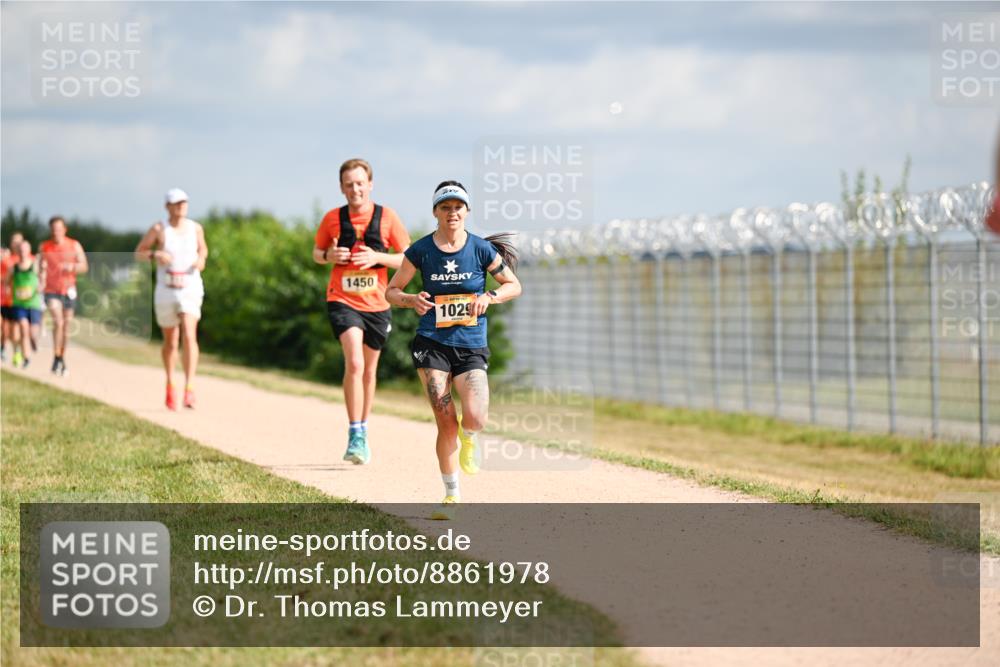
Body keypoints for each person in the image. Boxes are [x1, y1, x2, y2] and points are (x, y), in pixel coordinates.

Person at [386, 181, 521, 519]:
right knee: (445, 424)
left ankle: (471, 436)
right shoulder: (420, 251)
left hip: (471, 346)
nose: (452, 213)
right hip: (431, 343)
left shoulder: (480, 250)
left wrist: (488, 297)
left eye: (458, 207)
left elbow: (513, 285)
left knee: (475, 416)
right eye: (445, 207)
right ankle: (451, 494)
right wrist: (409, 300)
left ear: (467, 212)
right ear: (436, 212)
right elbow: (392, 290)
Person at [313, 158, 411, 465]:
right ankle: (354, 433)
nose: (354, 189)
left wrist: (377, 255)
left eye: (359, 183)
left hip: (378, 304)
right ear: (341, 188)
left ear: (370, 184)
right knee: (354, 363)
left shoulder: (387, 217)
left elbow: (408, 258)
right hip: (342, 299)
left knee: (369, 371)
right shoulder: (332, 218)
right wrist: (329, 254)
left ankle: (363, 431)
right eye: (348, 184)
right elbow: (317, 253)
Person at [134, 188, 208, 410]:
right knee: (171, 340)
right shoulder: (159, 229)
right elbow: (138, 253)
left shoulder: (196, 228)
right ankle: (170, 384)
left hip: (190, 287)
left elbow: (203, 251)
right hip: (166, 289)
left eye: (183, 203)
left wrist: (200, 261)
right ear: (167, 206)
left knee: (188, 332)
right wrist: (156, 254)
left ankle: (190, 388)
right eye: (176, 203)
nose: (180, 207)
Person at [39, 216, 88, 375]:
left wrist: (71, 266)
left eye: (59, 229)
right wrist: (41, 278)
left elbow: (84, 266)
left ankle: (60, 357)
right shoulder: (45, 246)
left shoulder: (74, 245)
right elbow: (41, 268)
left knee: (66, 328)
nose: (56, 232)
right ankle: (56, 355)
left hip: (69, 290)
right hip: (51, 291)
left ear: (64, 230)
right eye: (53, 229)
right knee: (58, 322)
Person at [10, 240, 44, 369]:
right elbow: (6, 281)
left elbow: (43, 276)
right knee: (23, 329)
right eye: (21, 250)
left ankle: (34, 342)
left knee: (32, 334)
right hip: (19, 303)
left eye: (25, 250)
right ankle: (27, 358)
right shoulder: (14, 267)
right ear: (18, 252)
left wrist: (41, 285)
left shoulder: (34, 265)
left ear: (29, 251)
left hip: (34, 303)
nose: (23, 252)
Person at [0, 232, 24, 363]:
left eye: (19, 241)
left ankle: (16, 351)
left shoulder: (26, 259)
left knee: (13, 330)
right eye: (14, 241)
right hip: (2, 298)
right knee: (2, 326)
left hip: (17, 300)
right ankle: (3, 348)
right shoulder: (6, 259)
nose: (17, 244)